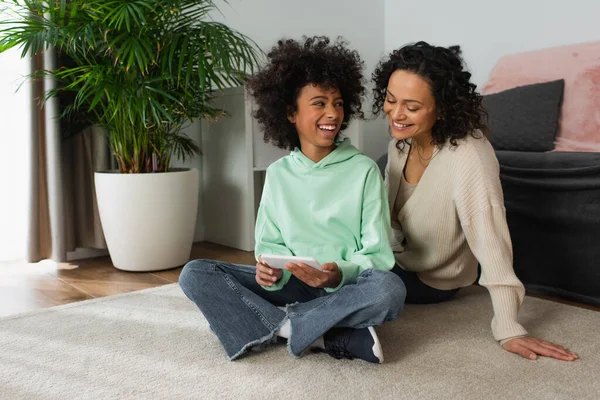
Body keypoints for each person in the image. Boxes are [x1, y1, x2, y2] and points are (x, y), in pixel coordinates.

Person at [179, 36, 405, 364]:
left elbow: (377, 255)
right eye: (319, 103)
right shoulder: (278, 174)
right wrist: (268, 273)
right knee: (195, 273)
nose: (333, 113)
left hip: (342, 288)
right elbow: (270, 247)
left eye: (338, 103)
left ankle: (274, 322)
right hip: (289, 285)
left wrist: (335, 274)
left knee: (390, 290)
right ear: (290, 113)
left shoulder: (363, 170)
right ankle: (315, 331)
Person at [372, 41, 578, 361]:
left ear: (441, 107)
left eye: (411, 107)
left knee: (350, 282)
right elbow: (384, 219)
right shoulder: (401, 145)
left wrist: (508, 326)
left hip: (430, 280)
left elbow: (490, 238)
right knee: (324, 264)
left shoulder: (469, 155)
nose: (396, 114)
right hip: (392, 259)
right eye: (390, 99)